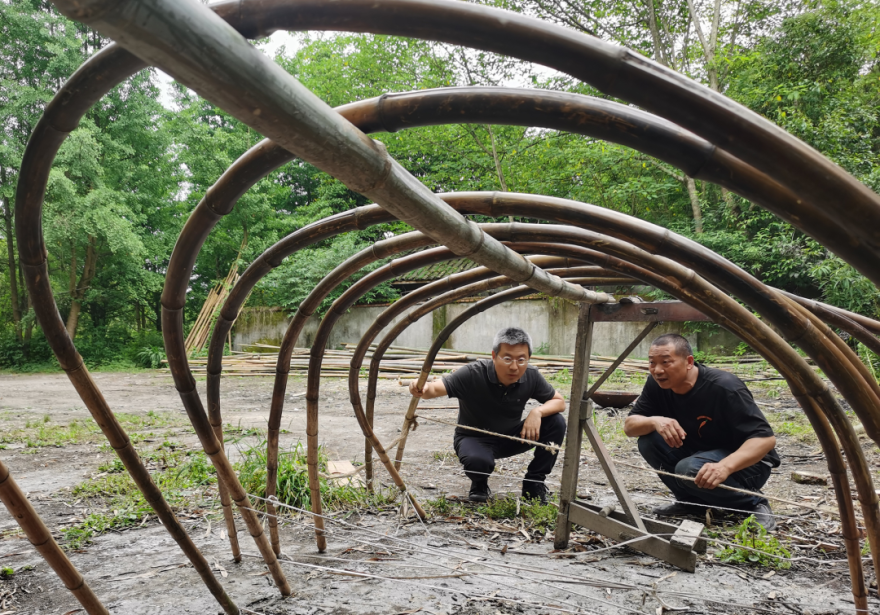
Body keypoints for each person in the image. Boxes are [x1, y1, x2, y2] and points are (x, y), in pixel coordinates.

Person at [624, 334, 780, 530]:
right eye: (652, 363)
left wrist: (725, 466)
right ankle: (693, 503)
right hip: (701, 455)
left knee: (689, 468)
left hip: (747, 465)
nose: (657, 370)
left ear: (689, 362)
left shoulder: (725, 387)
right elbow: (630, 426)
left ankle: (753, 504)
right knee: (649, 441)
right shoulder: (656, 384)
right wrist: (654, 420)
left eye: (665, 362)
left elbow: (765, 439)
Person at [409, 327, 566, 503]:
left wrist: (537, 411)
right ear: (494, 355)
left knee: (556, 422)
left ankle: (534, 483)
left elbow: (559, 402)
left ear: (528, 358)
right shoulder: (472, 373)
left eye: (521, 360)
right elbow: (433, 390)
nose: (514, 367)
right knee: (478, 464)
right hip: (474, 439)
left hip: (512, 437)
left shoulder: (531, 376)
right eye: (507, 358)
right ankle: (479, 481)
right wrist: (418, 385)